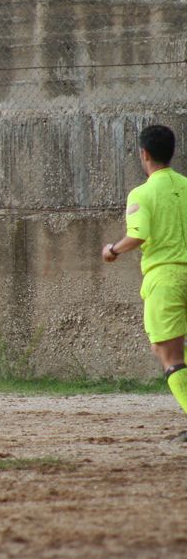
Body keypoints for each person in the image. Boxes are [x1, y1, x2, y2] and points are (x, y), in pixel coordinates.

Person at [102, 124, 187, 443]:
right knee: (164, 347)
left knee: (169, 355)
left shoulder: (142, 193)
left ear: (144, 154)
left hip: (165, 278)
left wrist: (112, 250)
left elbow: (138, 235)